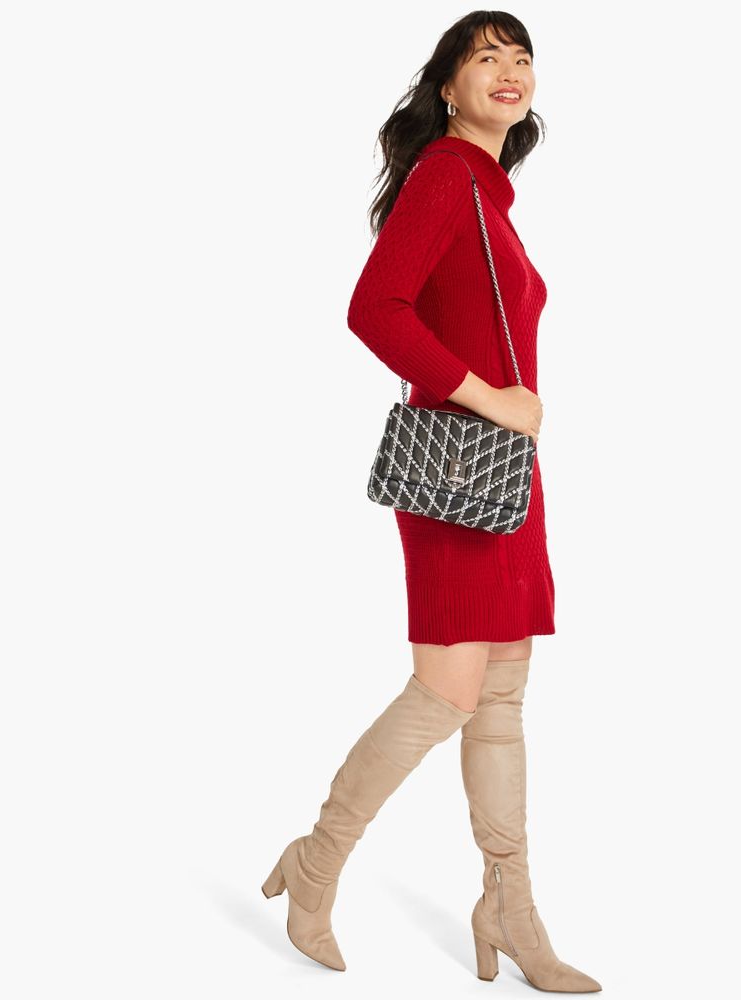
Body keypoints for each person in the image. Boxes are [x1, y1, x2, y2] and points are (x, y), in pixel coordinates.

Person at [261, 12, 601, 993]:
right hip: (458, 474)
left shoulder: (489, 194)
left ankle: (509, 907)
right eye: (485, 56)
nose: (510, 70)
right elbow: (375, 309)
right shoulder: (447, 175)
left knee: (500, 696)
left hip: (501, 477)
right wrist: (492, 396)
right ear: (447, 87)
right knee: (448, 692)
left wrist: (505, 414)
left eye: (521, 56)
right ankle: (318, 859)